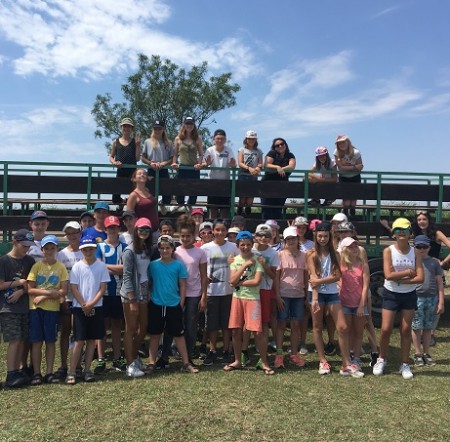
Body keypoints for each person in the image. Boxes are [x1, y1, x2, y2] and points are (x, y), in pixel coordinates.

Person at [306, 223, 362, 377]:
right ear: (316, 237)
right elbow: (313, 277)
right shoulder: (310, 254)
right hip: (316, 295)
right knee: (317, 327)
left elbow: (337, 276)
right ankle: (322, 360)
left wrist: (319, 281)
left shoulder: (335, 254)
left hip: (332, 294)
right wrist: (316, 298)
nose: (323, 239)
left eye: (325, 236)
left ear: (330, 236)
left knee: (343, 327)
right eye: (320, 236)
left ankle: (346, 363)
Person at [373, 218, 424, 380]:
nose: (401, 233)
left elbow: (420, 277)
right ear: (393, 234)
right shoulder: (388, 251)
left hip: (409, 295)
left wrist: (401, 278)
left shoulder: (415, 252)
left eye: (404, 230)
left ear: (410, 232)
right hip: (391, 294)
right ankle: (381, 359)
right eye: (397, 230)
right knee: (386, 328)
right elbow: (388, 275)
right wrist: (409, 272)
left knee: (405, 329)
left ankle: (405, 363)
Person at [147, 235, 199, 373]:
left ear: (172, 249)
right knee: (155, 335)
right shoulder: (153, 265)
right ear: (158, 249)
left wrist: (181, 302)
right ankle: (152, 363)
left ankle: (186, 363)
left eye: (167, 248)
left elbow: (182, 285)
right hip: (157, 304)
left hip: (173, 304)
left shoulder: (178, 265)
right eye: (162, 248)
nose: (164, 251)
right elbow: (148, 283)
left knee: (179, 335)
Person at [226, 231, 274, 375]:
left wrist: (238, 281)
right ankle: (237, 360)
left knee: (257, 332)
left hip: (252, 299)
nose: (245, 247)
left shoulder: (258, 260)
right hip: (237, 298)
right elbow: (231, 281)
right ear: (238, 245)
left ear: (252, 245)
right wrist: (244, 265)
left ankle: (264, 362)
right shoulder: (234, 260)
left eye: (248, 244)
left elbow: (256, 281)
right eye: (242, 245)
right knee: (235, 330)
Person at [67, 236, 110, 384]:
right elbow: (73, 287)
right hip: (80, 308)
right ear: (81, 250)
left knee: (92, 340)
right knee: (79, 341)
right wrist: (84, 304)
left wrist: (91, 304)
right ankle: (72, 371)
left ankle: (87, 370)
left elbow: (102, 288)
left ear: (95, 249)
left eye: (91, 248)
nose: (88, 251)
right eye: (85, 249)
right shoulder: (77, 267)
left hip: (96, 307)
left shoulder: (101, 266)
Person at [27, 235, 68, 385]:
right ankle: (37, 373)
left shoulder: (61, 267)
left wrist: (43, 296)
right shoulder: (37, 266)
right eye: (47, 248)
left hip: (52, 310)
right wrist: (50, 293)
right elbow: (30, 289)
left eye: (53, 248)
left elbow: (63, 291)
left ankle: (49, 372)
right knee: (37, 342)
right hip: (35, 309)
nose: (50, 251)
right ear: (42, 250)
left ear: (57, 249)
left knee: (50, 341)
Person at [0, 229, 35, 388]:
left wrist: (22, 290)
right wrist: (18, 283)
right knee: (14, 340)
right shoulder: (4, 261)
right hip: (8, 308)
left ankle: (20, 369)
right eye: (24, 245)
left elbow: (31, 284)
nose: (26, 249)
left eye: (28, 246)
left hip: (25, 306)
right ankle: (11, 373)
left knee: (22, 340)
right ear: (15, 242)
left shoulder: (30, 261)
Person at [201, 219, 239, 365]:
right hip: (212, 291)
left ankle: (226, 351)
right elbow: (202, 269)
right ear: (213, 231)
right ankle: (212, 351)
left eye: (223, 230)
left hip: (229, 291)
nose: (220, 233)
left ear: (227, 231)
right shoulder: (206, 248)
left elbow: (240, 263)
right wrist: (205, 277)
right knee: (212, 324)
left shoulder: (233, 247)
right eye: (217, 230)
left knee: (226, 323)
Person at [94, 216, 128, 374]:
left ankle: (117, 357)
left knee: (116, 326)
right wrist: (116, 268)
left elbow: (125, 269)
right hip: (103, 292)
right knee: (102, 326)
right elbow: (97, 268)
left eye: (115, 227)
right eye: (109, 227)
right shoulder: (99, 247)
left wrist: (106, 266)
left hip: (119, 292)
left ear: (118, 228)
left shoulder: (125, 247)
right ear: (105, 229)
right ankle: (101, 358)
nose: (112, 230)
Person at [120, 217, 153, 378]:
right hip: (130, 295)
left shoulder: (148, 249)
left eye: (147, 230)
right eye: (141, 229)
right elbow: (126, 276)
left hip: (144, 294)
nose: (144, 232)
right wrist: (132, 299)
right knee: (130, 329)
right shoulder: (129, 250)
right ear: (136, 231)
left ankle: (134, 357)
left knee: (144, 327)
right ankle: (130, 364)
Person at [174, 215, 208, 363]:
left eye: (188, 235)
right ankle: (174, 352)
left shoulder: (200, 252)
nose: (185, 238)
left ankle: (188, 355)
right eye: (182, 236)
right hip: (176, 294)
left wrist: (204, 296)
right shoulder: (174, 252)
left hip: (194, 294)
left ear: (193, 235)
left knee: (191, 325)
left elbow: (203, 276)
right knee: (176, 324)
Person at [273, 227, 307, 369]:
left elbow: (306, 276)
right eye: (288, 239)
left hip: (299, 295)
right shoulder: (280, 255)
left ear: (297, 239)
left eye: (293, 238)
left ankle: (294, 354)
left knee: (295, 325)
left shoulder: (303, 255)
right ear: (284, 240)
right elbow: (276, 277)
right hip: (284, 295)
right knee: (281, 325)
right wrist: (277, 296)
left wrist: (306, 295)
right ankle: (279, 354)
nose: (291, 241)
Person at [411, 235, 444, 367]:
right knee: (417, 327)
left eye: (424, 246)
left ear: (429, 247)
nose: (422, 249)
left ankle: (426, 353)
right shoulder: (412, 262)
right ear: (414, 247)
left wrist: (441, 301)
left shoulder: (434, 263)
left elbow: (440, 284)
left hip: (432, 298)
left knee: (428, 327)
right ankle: (417, 353)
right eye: (419, 246)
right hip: (416, 298)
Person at [56, 221, 83, 381]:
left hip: (81, 298)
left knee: (78, 333)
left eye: (75, 232)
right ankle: (64, 365)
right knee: (65, 331)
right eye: (69, 233)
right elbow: (59, 278)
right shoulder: (61, 254)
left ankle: (77, 364)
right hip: (67, 298)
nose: (72, 236)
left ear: (80, 233)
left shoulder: (86, 252)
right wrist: (61, 297)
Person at [339, 237, 370, 369]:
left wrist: (362, 305)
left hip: (358, 304)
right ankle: (346, 358)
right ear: (345, 250)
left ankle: (356, 358)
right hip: (344, 304)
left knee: (358, 332)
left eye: (355, 246)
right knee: (345, 332)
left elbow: (365, 286)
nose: (354, 249)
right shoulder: (340, 265)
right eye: (351, 247)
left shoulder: (363, 264)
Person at [141, 119, 174, 215]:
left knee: (167, 196)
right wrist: (150, 163)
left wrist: (164, 163)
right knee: (150, 195)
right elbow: (143, 158)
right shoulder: (148, 142)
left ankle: (162, 203)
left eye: (159, 129)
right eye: (155, 129)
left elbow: (172, 159)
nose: (157, 131)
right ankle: (150, 213)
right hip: (152, 170)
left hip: (163, 170)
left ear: (163, 129)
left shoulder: (169, 143)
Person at [172, 117, 204, 212]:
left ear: (193, 125)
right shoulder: (178, 138)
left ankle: (189, 205)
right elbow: (175, 153)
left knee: (194, 190)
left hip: (194, 168)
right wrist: (174, 163)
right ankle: (180, 204)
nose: (189, 126)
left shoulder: (197, 139)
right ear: (184, 125)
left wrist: (199, 164)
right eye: (187, 124)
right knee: (179, 187)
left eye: (191, 124)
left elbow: (201, 154)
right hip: (182, 167)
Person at [203, 129, 236, 219]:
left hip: (225, 183)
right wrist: (206, 164)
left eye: (222, 139)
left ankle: (223, 228)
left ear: (225, 140)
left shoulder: (228, 150)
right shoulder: (209, 150)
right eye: (218, 138)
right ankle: (212, 228)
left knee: (224, 209)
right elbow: (204, 164)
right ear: (214, 139)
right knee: (213, 208)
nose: (220, 140)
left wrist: (233, 165)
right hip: (212, 183)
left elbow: (233, 164)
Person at [293, 216, 314, 355]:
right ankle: (294, 341)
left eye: (303, 227)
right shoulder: (289, 242)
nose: (300, 230)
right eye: (298, 227)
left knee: (305, 314)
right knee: (294, 315)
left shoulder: (312, 244)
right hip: (294, 281)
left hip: (308, 281)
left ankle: (303, 342)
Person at [261, 138, 296, 220]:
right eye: (277, 145)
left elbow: (291, 166)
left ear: (285, 145)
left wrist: (282, 169)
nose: (280, 146)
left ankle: (276, 231)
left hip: (282, 187)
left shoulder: (290, 155)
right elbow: (266, 164)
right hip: (267, 186)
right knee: (267, 211)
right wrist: (277, 167)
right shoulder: (272, 153)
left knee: (277, 211)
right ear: (274, 147)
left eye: (282, 144)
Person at [109, 117, 141, 207]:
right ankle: (122, 203)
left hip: (132, 172)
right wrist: (114, 162)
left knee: (134, 197)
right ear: (121, 127)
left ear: (132, 129)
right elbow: (111, 157)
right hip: (120, 170)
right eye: (125, 126)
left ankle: (129, 208)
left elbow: (137, 158)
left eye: (129, 127)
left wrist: (138, 146)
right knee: (115, 198)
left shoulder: (135, 142)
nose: (126, 128)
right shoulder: (116, 142)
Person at [333, 134, 363, 218]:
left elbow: (360, 167)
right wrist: (354, 167)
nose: (341, 144)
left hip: (355, 177)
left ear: (348, 142)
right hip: (343, 177)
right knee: (346, 203)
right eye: (339, 143)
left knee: (353, 203)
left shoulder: (356, 152)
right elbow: (341, 168)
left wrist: (349, 167)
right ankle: (345, 212)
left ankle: (352, 215)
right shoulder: (336, 152)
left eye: (343, 142)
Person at [237, 130, 263, 216]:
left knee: (250, 199)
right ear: (246, 139)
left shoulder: (258, 151)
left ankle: (248, 216)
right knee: (242, 198)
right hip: (243, 175)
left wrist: (258, 167)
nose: (251, 141)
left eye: (253, 139)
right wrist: (249, 168)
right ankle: (239, 214)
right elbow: (240, 163)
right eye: (249, 139)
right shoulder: (242, 150)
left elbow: (260, 163)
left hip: (253, 176)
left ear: (255, 140)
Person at [126, 168, 159, 237]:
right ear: (134, 179)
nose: (142, 175)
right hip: (142, 232)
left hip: (155, 230)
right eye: (139, 174)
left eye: (144, 174)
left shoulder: (148, 191)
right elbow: (129, 215)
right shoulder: (133, 195)